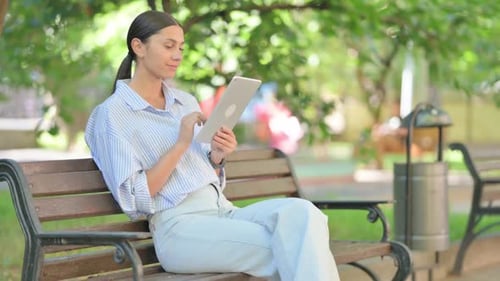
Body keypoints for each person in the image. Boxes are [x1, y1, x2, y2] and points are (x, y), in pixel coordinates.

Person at [85, 10, 340, 281]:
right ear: (138, 47)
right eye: (168, 46)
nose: (177, 55)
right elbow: (134, 199)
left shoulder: (185, 101)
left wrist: (218, 157)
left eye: (181, 47)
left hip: (223, 212)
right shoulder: (111, 115)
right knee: (296, 246)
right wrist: (181, 144)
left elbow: (206, 170)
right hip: (179, 229)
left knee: (304, 214)